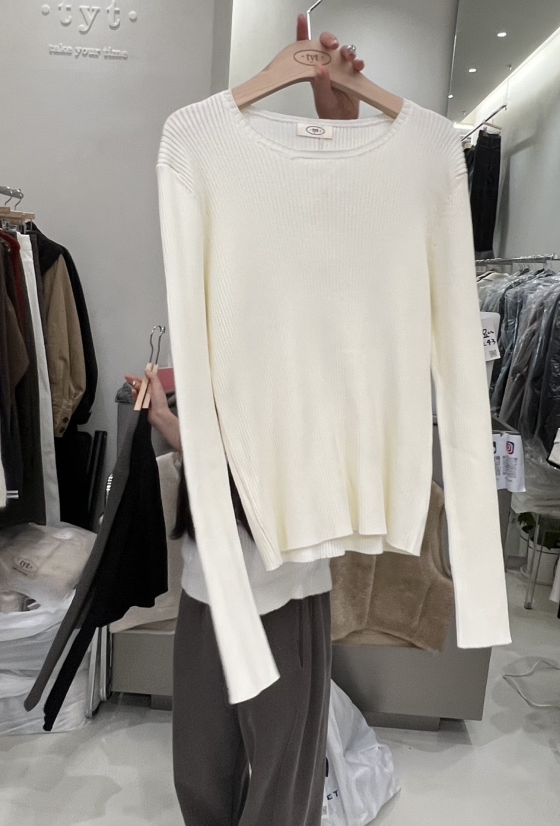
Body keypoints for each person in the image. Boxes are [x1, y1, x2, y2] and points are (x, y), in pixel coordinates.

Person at [127, 18, 367, 826]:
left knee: (282, 775)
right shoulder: (210, 306)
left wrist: (336, 124)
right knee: (202, 764)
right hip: (210, 572)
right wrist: (167, 418)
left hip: (287, 577)